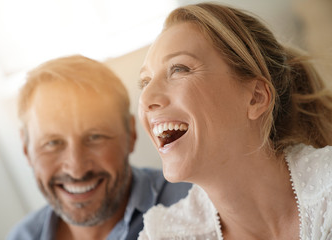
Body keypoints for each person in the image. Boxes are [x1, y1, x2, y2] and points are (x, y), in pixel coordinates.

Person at [137, 2, 332, 240]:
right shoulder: (163, 235)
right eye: (145, 82)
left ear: (256, 98)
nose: (146, 98)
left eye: (179, 69)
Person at [6, 55, 191, 240]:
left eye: (95, 137)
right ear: (25, 148)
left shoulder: (195, 205)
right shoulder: (21, 236)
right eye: (52, 143)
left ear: (131, 133)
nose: (77, 170)